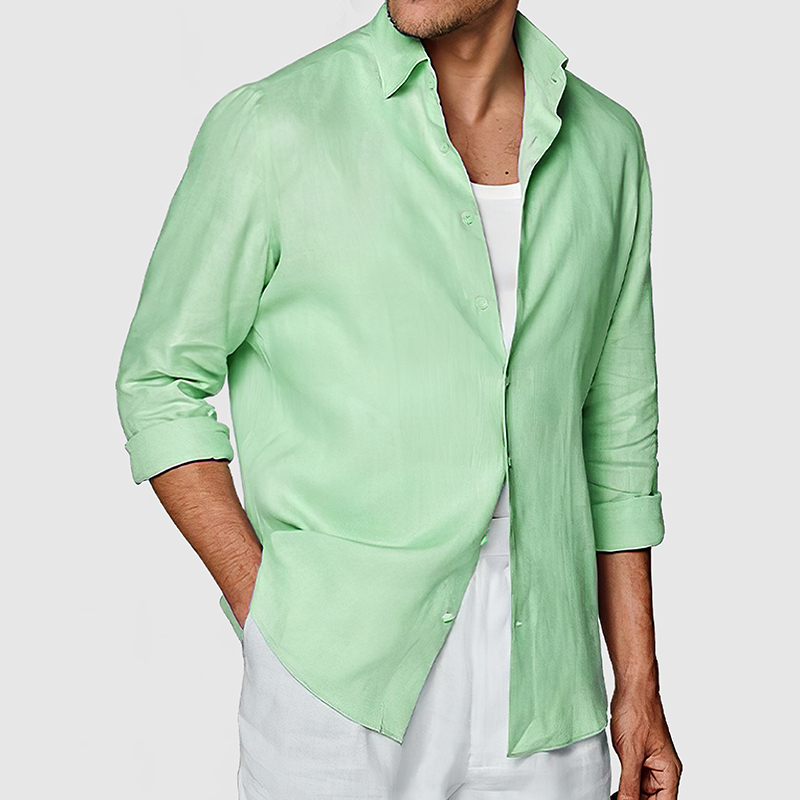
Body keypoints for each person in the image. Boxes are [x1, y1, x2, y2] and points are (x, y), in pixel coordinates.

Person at [115, 1, 682, 797]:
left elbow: (615, 440)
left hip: (548, 687)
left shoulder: (607, 145)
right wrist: (263, 604)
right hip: (336, 680)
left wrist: (639, 683)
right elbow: (158, 380)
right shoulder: (275, 125)